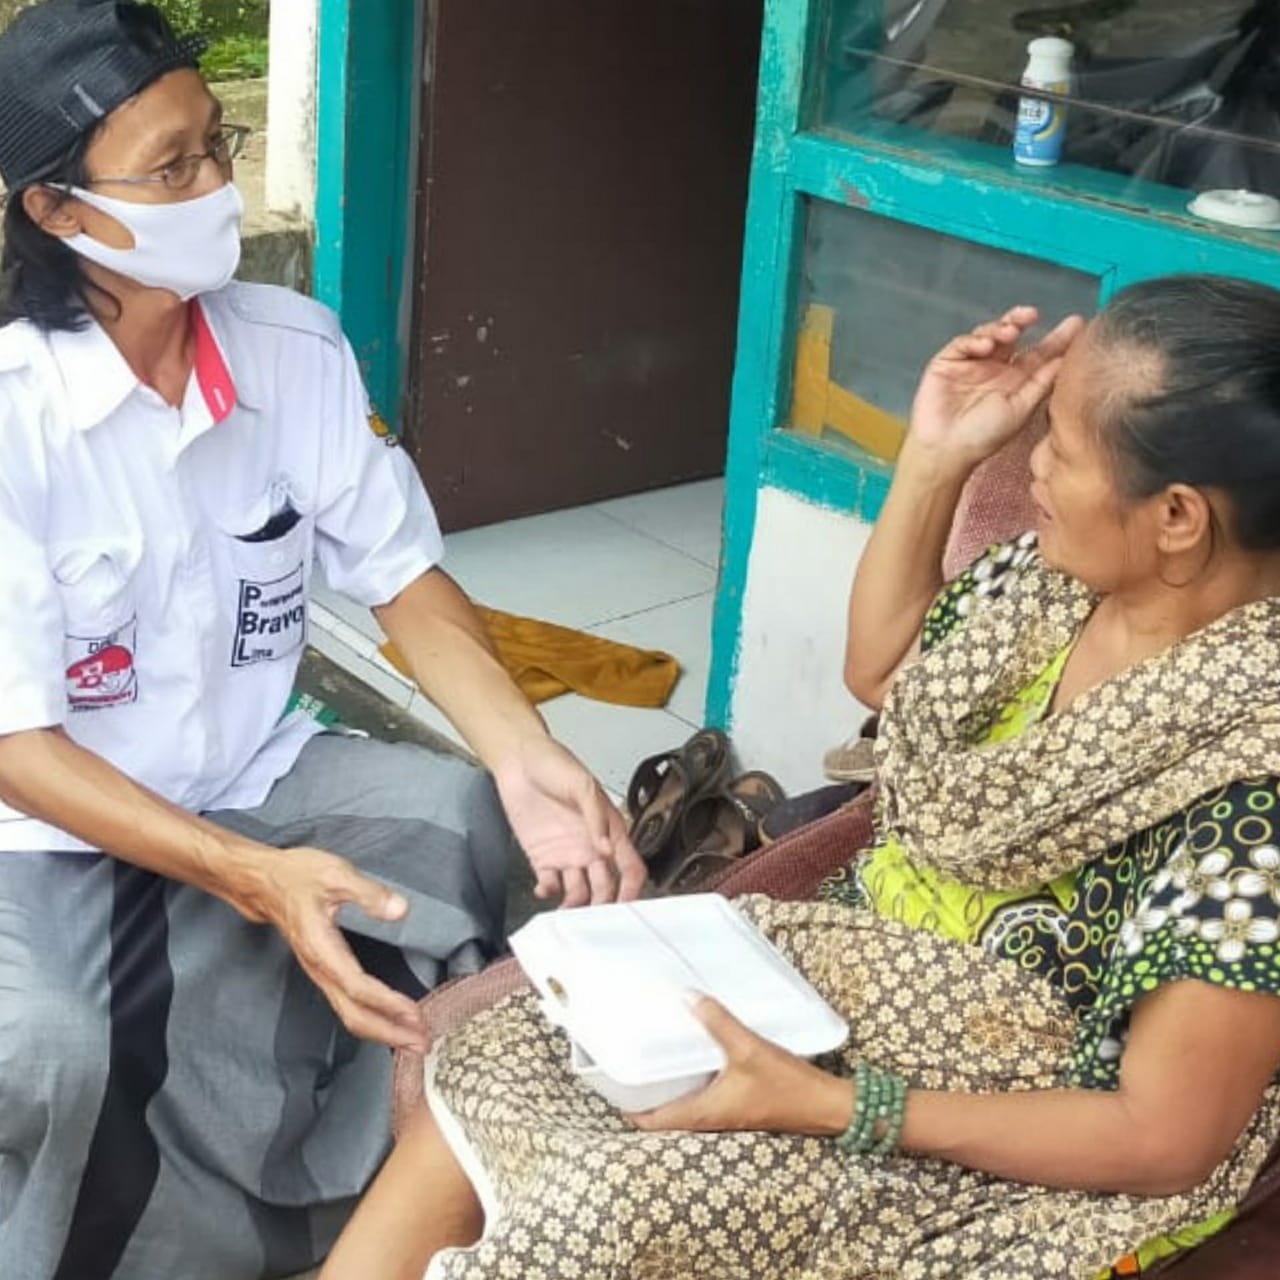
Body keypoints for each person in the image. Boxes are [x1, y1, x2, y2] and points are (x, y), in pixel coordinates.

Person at [321, 275, 1280, 1280]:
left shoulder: (1250, 793)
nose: (1030, 464)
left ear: (1175, 514)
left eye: (1062, 450)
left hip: (1017, 1125)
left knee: (607, 1198)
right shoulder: (1052, 587)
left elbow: (1159, 1135)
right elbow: (882, 670)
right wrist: (933, 457)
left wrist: (826, 1104)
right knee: (503, 1063)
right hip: (845, 996)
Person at [0, 3, 644, 1278]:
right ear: (58, 213)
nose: (215, 186)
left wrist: (526, 753)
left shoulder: (289, 348)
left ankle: (365, 1194)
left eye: (217, 143)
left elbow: (406, 583)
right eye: (170, 166)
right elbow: (19, 748)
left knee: (467, 823)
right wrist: (250, 875)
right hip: (48, 824)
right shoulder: (17, 421)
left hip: (254, 769)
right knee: (60, 1043)